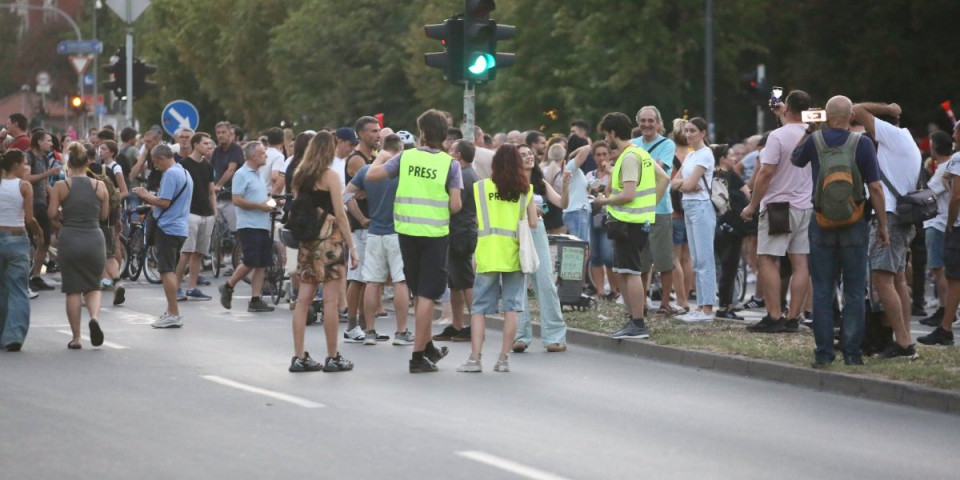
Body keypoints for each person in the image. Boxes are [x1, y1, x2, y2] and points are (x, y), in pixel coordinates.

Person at [792, 95, 888, 366]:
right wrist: (882, 225)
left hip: (821, 221)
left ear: (825, 116)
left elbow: (795, 160)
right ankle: (853, 354)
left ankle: (824, 354)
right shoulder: (863, 143)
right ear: (851, 117)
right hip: (855, 222)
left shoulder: (815, 141)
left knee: (822, 289)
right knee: (855, 290)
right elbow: (876, 188)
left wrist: (809, 131)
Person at [366, 109, 463, 373]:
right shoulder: (450, 164)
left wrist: (381, 157)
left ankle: (427, 345)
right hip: (434, 234)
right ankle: (418, 356)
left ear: (422, 134)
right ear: (443, 136)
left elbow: (371, 176)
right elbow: (456, 205)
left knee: (419, 291)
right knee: (428, 295)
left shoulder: (405, 157)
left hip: (406, 232)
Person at [457, 144, 538, 372]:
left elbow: (475, 218)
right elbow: (532, 223)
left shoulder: (481, 187)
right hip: (514, 254)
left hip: (488, 252)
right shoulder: (526, 190)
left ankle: (475, 358)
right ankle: (503, 359)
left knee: (479, 309)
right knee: (512, 308)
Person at [852, 101, 922, 359]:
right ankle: (904, 338)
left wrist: (889, 109)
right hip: (901, 219)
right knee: (898, 280)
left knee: (882, 279)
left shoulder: (893, 136)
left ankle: (904, 345)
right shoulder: (905, 143)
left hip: (890, 217)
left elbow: (856, 108)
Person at [741, 90, 813, 333]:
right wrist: (784, 114)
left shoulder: (777, 137)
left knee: (768, 259)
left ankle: (774, 316)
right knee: (800, 261)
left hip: (778, 207)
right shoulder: (812, 134)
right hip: (805, 205)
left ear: (788, 108)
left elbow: (766, 172)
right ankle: (794, 317)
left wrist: (752, 204)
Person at [288, 131, 358, 372]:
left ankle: (298, 356)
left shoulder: (300, 176)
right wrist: (353, 247)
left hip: (307, 243)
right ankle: (332, 356)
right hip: (330, 242)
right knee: (330, 302)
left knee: (302, 300)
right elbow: (340, 213)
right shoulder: (331, 176)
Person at [596, 112, 669, 337]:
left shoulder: (628, 157)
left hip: (628, 222)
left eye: (606, 135)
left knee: (630, 272)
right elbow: (664, 179)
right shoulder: (640, 153)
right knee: (626, 271)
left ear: (612, 133)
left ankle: (637, 322)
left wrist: (604, 200)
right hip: (637, 220)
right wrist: (650, 206)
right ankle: (633, 320)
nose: (606, 140)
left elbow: (628, 194)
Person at [344, 134, 413, 346]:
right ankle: (401, 332)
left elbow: (344, 197)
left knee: (372, 282)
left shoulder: (366, 171)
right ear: (400, 148)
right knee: (401, 281)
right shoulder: (403, 171)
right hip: (398, 231)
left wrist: (361, 214)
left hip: (374, 231)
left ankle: (370, 332)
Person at [48, 142, 109, 349]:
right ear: (87, 162)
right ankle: (94, 318)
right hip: (94, 238)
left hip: (70, 239)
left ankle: (76, 337)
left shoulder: (61, 186)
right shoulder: (100, 185)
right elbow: (104, 215)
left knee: (73, 289)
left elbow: (51, 215)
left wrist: (62, 219)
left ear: (69, 164)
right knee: (93, 285)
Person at [515, 143, 571, 352]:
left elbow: (562, 203)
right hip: (516, 230)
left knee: (546, 281)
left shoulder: (540, 182)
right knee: (518, 282)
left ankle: (555, 336)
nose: (529, 157)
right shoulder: (509, 183)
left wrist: (565, 186)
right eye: (523, 155)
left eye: (530, 154)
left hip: (537, 231)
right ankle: (520, 335)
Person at [132, 145, 193, 328]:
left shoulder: (170, 174)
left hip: (167, 228)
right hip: (180, 226)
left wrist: (145, 195)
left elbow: (164, 202)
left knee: (166, 270)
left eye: (155, 161)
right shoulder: (184, 172)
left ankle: (173, 313)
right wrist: (154, 205)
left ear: (160, 158)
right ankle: (171, 310)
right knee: (171, 270)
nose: (155, 166)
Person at [632, 106, 680, 315]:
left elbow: (661, 170)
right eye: (643, 120)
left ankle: (665, 303)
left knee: (663, 258)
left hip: (660, 208)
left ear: (658, 123)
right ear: (638, 123)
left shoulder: (667, 144)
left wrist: (642, 167)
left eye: (651, 120)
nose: (646, 125)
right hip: (638, 208)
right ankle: (641, 302)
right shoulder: (633, 144)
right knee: (641, 260)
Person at [219, 142, 277, 313]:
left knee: (262, 263)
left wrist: (272, 202)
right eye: (262, 153)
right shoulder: (242, 174)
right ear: (253, 156)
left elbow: (259, 196)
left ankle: (255, 299)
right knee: (251, 261)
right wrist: (259, 206)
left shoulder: (258, 174)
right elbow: (236, 199)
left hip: (262, 224)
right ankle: (228, 286)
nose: (266, 155)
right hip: (249, 224)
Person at [670, 117, 717, 322]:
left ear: (703, 133)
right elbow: (675, 183)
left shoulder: (705, 154)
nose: (689, 134)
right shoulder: (690, 155)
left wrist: (687, 184)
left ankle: (707, 308)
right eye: (687, 131)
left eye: (693, 131)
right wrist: (686, 183)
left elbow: (688, 185)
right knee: (697, 259)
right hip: (688, 206)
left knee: (704, 258)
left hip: (701, 207)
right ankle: (700, 306)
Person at [919, 123, 960, 347]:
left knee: (949, 275)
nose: (953, 135)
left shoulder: (955, 161)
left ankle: (945, 321)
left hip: (945, 223)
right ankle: (945, 319)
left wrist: (952, 222)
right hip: (945, 222)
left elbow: (953, 197)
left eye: (956, 131)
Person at [434, 139, 478, 343]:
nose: (448, 153)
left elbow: (455, 204)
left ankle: (475, 326)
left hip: (461, 232)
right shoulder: (467, 173)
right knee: (455, 282)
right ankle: (457, 324)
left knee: (466, 280)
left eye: (451, 150)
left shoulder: (463, 175)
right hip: (458, 231)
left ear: (458, 155)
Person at [0, 150, 43, 351]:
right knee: (17, 288)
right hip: (16, 239)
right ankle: (14, 336)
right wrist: (38, 232)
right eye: (25, 163)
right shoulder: (24, 186)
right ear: (16, 164)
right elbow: (28, 219)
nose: (27, 167)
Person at [343, 119, 379, 340]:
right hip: (361, 226)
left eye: (378, 131)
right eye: (373, 132)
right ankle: (351, 325)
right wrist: (362, 219)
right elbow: (351, 195)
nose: (378, 135)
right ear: (361, 134)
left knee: (369, 278)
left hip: (372, 223)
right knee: (357, 277)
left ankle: (367, 325)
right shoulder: (357, 159)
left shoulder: (374, 158)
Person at [174, 132, 217, 301]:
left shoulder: (208, 166)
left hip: (206, 214)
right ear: (196, 145)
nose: (208, 146)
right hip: (190, 213)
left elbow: (211, 191)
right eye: (205, 143)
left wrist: (214, 212)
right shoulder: (183, 165)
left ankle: (192, 287)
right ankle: (176, 288)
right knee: (186, 252)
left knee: (198, 253)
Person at [712, 145, 751, 319]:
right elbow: (747, 194)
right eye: (731, 155)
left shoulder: (711, 175)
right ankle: (725, 306)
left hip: (716, 224)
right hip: (732, 226)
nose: (735, 159)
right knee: (730, 266)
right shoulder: (731, 176)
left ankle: (723, 304)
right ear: (722, 158)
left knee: (721, 265)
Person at [25, 130, 59, 292]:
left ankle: (36, 276)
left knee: (45, 240)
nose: (51, 144)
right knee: (29, 241)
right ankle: (25, 277)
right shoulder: (28, 157)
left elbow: (46, 185)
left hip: (41, 203)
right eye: (48, 140)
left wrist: (57, 199)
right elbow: (26, 179)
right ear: (39, 142)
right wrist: (48, 173)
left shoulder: (45, 158)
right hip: (29, 203)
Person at [586, 141, 619, 300]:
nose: (601, 158)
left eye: (604, 154)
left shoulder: (615, 173)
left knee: (608, 255)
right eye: (598, 155)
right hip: (594, 216)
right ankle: (600, 290)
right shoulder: (590, 175)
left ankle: (614, 289)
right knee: (596, 255)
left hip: (610, 218)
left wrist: (610, 172)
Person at [212, 121, 245, 234]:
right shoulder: (217, 151)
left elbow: (231, 169)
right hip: (218, 197)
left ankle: (238, 251)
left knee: (234, 231)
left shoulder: (236, 149)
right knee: (218, 230)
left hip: (232, 197)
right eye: (218, 133)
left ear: (230, 133)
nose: (220, 135)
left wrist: (219, 185)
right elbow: (211, 169)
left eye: (223, 132)